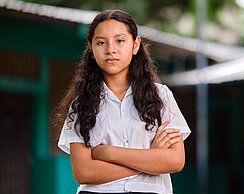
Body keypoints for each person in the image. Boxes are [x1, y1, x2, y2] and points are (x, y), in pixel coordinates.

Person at [54, 10, 191, 194]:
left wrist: (109, 153)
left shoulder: (161, 96)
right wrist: (151, 159)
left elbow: (174, 161)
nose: (110, 49)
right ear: (91, 49)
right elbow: (84, 172)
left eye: (120, 41)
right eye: (101, 42)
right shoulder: (81, 104)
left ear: (135, 45)